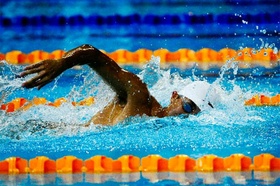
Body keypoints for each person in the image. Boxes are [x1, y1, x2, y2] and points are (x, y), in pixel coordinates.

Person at [20, 44, 219, 126]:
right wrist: (62, 63)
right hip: (42, 131)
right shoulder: (139, 94)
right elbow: (92, 54)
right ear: (174, 96)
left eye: (195, 115)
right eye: (187, 106)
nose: (186, 117)